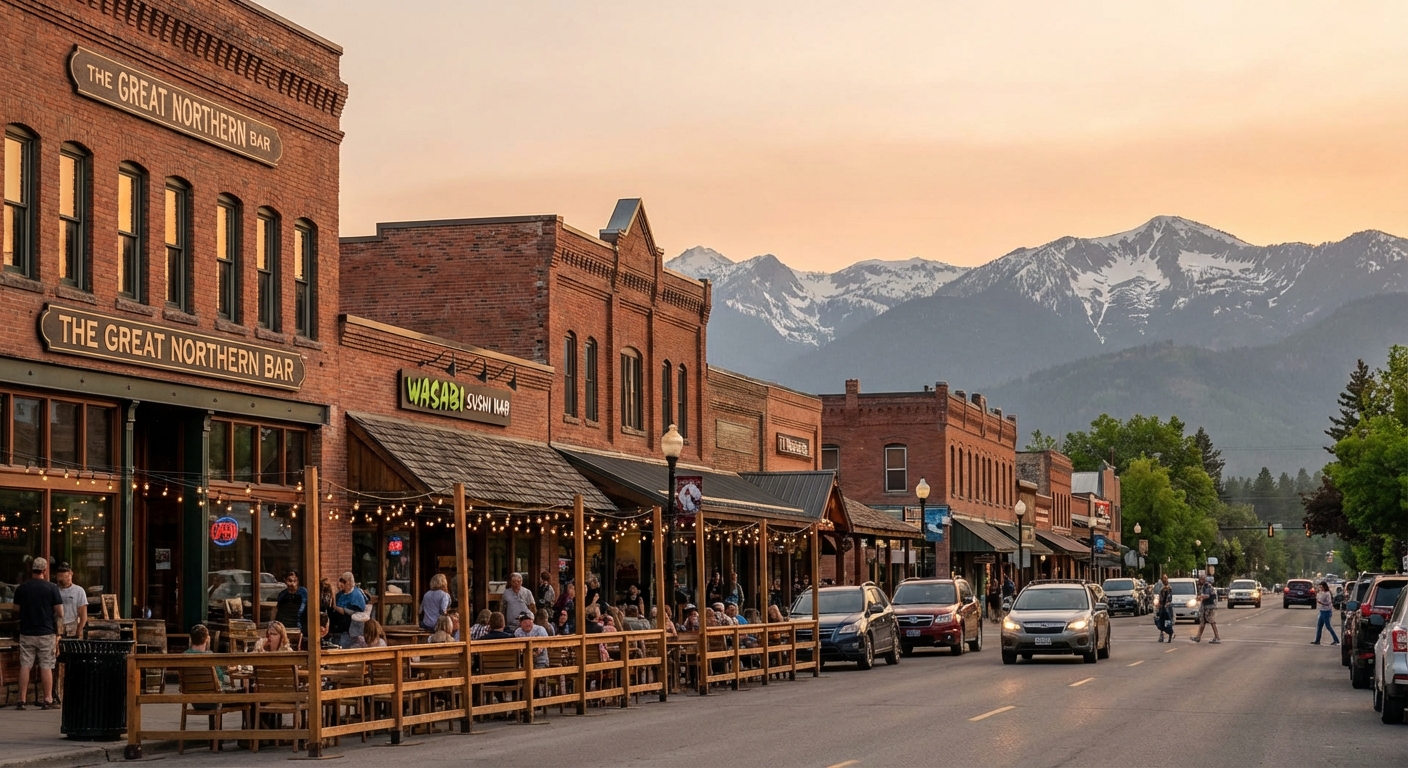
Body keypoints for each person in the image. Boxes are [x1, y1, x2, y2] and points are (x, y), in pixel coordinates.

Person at [14, 557, 62, 710]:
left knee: (25, 665)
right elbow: (60, 612)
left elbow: (16, 610)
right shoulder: (52, 588)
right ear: (45, 571)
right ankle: (47, 699)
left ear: (32, 570)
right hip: (45, 632)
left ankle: (21, 700)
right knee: (46, 665)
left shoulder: (22, 588)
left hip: (27, 632)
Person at [185, 624, 231, 689]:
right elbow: (220, 677)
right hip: (210, 692)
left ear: (191, 639)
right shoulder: (210, 657)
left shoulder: (184, 656)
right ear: (207, 639)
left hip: (189, 690)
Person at [329, 572, 368, 648]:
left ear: (350, 582)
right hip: (338, 629)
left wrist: (337, 607)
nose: (341, 584)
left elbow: (353, 612)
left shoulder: (357, 595)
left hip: (351, 632)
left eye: (344, 582)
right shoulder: (340, 594)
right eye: (341, 581)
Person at [53, 561, 87, 639]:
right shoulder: (54, 589)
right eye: (59, 574)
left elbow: (83, 615)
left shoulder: (79, 591)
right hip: (55, 627)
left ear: (70, 574)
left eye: (63, 574)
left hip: (72, 627)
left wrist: (78, 630)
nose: (60, 576)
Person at [1191, 576, 1221, 644]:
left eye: (1200, 580)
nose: (1198, 581)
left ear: (1203, 580)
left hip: (1209, 607)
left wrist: (1200, 597)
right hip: (1205, 606)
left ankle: (1217, 637)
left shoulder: (1207, 586)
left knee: (1212, 621)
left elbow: (1207, 596)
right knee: (1202, 622)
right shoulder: (1205, 586)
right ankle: (1198, 637)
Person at [1312, 580, 1340, 645]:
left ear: (1324, 587)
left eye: (1321, 587)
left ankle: (1336, 640)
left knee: (1328, 626)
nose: (1320, 588)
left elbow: (1329, 603)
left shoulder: (1327, 594)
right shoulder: (1322, 593)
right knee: (1319, 626)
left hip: (1326, 611)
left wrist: (1321, 603)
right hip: (1322, 611)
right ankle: (1317, 640)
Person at [1157, 575, 1175, 643]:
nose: (1164, 580)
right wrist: (1159, 603)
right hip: (1162, 607)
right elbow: (1160, 597)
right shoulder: (1161, 588)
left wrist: (1166, 604)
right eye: (1163, 578)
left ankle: (1170, 636)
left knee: (1167, 622)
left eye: (1165, 578)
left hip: (1167, 607)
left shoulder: (1169, 588)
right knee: (1161, 622)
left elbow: (1169, 598)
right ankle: (1161, 636)